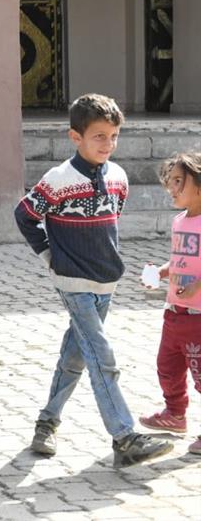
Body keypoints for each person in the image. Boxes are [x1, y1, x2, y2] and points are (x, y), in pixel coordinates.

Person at [16, 94, 171, 466]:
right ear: (75, 137)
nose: (108, 144)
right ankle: (124, 437)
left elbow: (110, 223)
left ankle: (46, 422)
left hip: (107, 284)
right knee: (102, 358)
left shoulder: (118, 177)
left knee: (75, 355)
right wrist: (50, 256)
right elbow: (24, 216)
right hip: (73, 283)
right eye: (99, 136)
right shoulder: (57, 179)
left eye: (114, 136)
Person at [139, 152, 201, 455]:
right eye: (169, 182)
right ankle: (175, 414)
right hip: (174, 313)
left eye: (179, 181)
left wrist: (198, 286)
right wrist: (162, 272)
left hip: (198, 317)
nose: (171, 187)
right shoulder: (179, 221)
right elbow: (179, 260)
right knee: (167, 366)